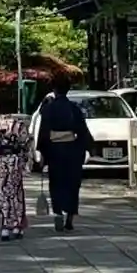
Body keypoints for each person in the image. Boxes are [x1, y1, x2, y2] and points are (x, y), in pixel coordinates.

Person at [36, 77, 93, 233]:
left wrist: (42, 153)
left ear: (54, 90)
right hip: (72, 150)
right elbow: (82, 131)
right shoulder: (74, 108)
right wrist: (86, 148)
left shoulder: (48, 109)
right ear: (68, 90)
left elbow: (44, 133)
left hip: (54, 150)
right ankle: (70, 217)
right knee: (72, 184)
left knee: (56, 183)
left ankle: (58, 213)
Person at [0, 114, 30, 241]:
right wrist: (25, 160)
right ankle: (17, 225)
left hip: (0, 162)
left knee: (2, 192)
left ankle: (5, 225)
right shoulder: (19, 126)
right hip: (15, 162)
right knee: (17, 193)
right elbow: (26, 145)